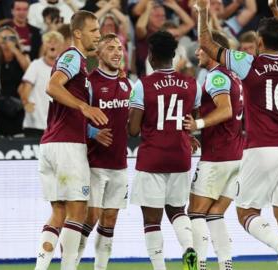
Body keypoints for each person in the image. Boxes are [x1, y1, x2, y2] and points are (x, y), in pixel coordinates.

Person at [196, 0, 278, 269]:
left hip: (260, 147)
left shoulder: (248, 63)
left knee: (246, 211)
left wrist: (203, 11)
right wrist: (274, 9)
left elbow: (206, 42)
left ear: (259, 42)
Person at [34, 10, 106, 270]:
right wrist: (83, 107)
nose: (98, 35)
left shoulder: (80, 63)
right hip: (67, 147)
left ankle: (40, 268)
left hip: (51, 144)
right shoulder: (73, 56)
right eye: (94, 30)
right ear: (78, 33)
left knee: (58, 214)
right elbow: (52, 86)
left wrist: (91, 131)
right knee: (78, 213)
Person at [128, 30, 201, 270]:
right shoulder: (191, 84)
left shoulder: (143, 85)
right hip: (180, 156)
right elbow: (194, 119)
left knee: (151, 219)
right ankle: (190, 248)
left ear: (151, 56)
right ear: (173, 55)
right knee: (177, 210)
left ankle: (160, 267)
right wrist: (186, 135)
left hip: (153, 157)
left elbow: (134, 130)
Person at [182, 31, 244, 270]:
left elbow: (225, 110)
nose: (197, 51)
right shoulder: (234, 76)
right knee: (215, 214)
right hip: (235, 156)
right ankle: (226, 265)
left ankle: (199, 266)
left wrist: (197, 125)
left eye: (201, 48)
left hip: (218, 156)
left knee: (195, 212)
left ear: (212, 49)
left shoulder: (216, 77)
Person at [75, 33, 133, 270]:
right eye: (110, 48)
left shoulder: (127, 84)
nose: (117, 52)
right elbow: (71, 117)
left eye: (119, 48)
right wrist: (92, 132)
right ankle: (71, 263)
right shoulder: (89, 83)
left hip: (119, 164)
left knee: (110, 220)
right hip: (94, 163)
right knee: (91, 216)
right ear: (98, 54)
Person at [0, 25, 30, 136]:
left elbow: (29, 70)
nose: (6, 41)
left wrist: (14, 48)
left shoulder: (22, 56)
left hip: (18, 108)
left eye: (10, 37)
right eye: (3, 37)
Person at [19, 31, 65, 138]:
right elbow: (24, 89)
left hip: (57, 126)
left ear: (62, 47)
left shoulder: (66, 69)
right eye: (49, 42)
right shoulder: (35, 65)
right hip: (35, 125)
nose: (52, 45)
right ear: (44, 46)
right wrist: (26, 103)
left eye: (56, 42)